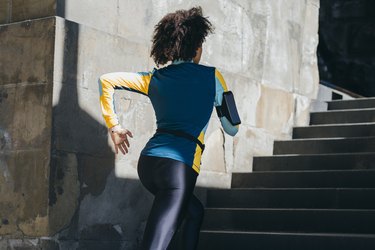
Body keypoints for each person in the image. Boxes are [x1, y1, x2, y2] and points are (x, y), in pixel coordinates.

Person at [98, 6, 240, 250]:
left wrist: (115, 126)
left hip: (149, 165)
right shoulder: (212, 77)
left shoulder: (154, 78)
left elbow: (106, 81)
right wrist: (220, 102)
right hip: (179, 170)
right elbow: (232, 128)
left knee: (194, 212)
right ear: (197, 47)